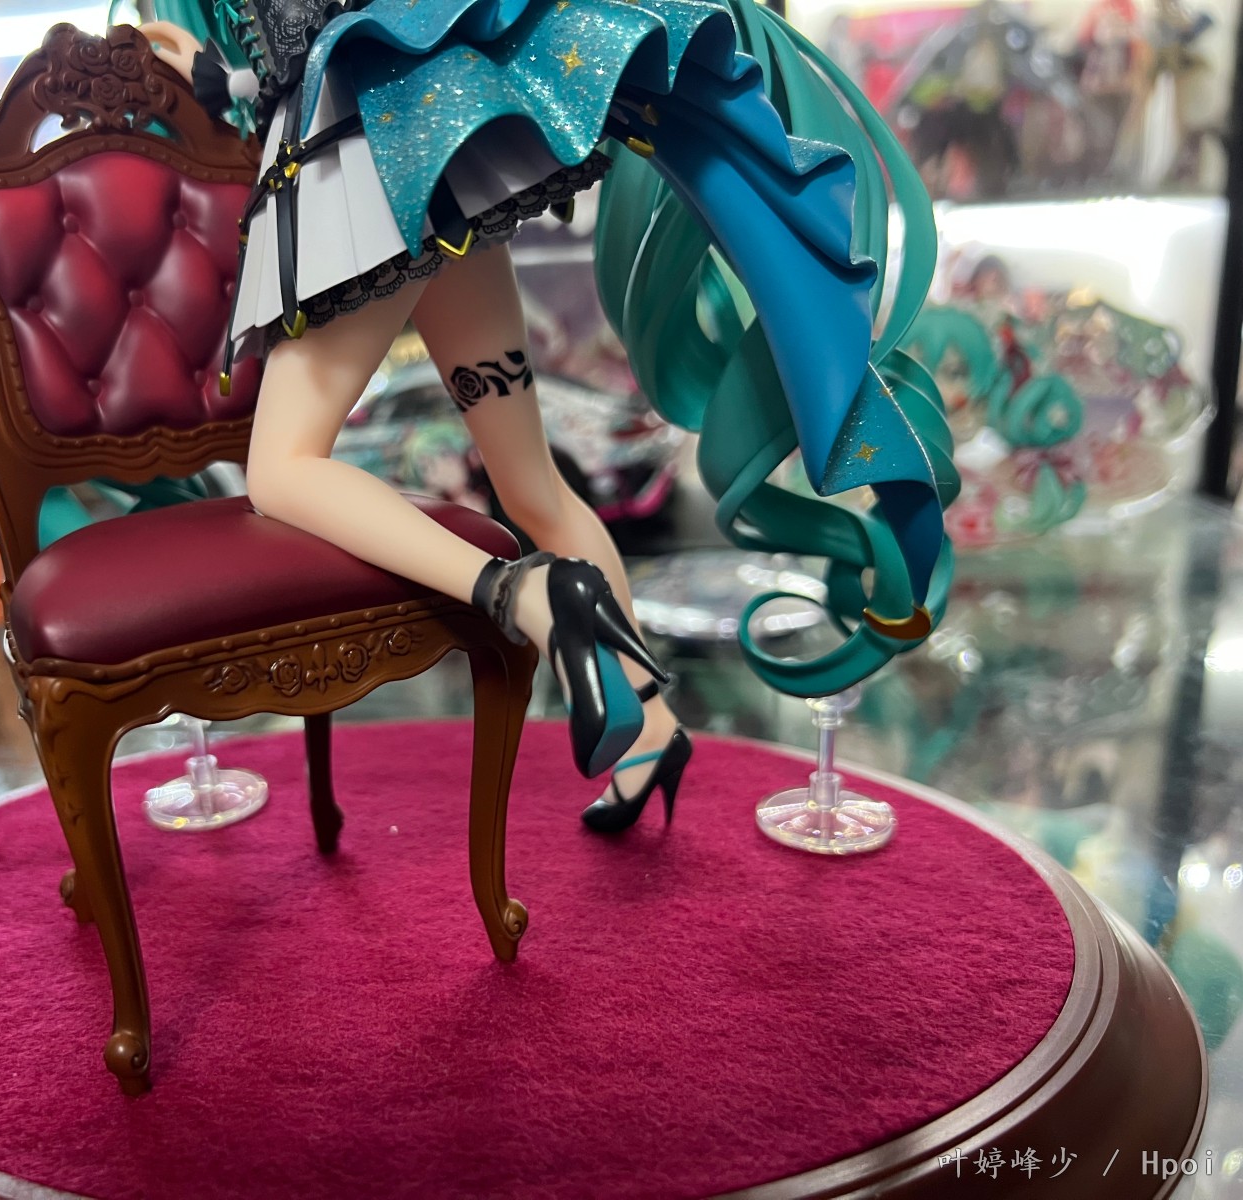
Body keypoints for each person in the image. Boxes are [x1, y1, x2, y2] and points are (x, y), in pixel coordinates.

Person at [141, 0, 955, 832]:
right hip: (433, 163)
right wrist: (224, 78)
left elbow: (309, 33)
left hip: (365, 169)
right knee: (534, 489)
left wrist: (227, 72)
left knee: (281, 471)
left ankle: (524, 593)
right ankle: (653, 731)